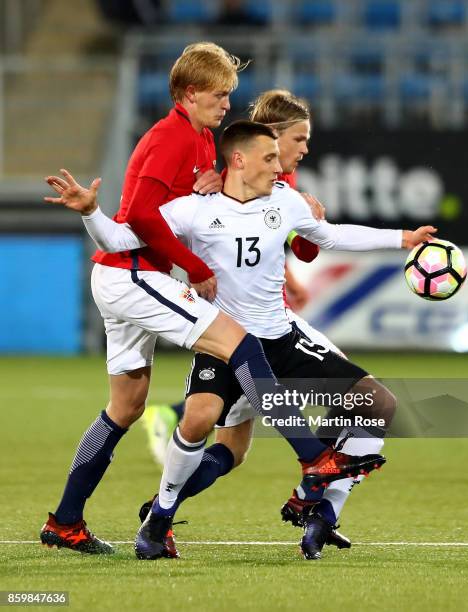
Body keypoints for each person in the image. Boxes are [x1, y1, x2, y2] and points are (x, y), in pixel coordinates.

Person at [57, 120, 436, 560]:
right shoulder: (193, 209)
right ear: (239, 160)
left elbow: (332, 236)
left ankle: (320, 508)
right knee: (201, 427)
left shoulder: (287, 202)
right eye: (270, 158)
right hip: (225, 346)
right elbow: (120, 238)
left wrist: (403, 239)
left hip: (280, 338)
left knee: (377, 402)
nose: (280, 167)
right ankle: (159, 516)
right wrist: (90, 211)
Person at [40, 47, 363, 556]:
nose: (227, 103)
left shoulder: (203, 139)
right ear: (189, 95)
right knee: (239, 341)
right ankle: (311, 456)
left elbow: (188, 210)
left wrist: (204, 188)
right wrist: (193, 268)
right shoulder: (169, 137)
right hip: (134, 273)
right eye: (219, 95)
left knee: (125, 407)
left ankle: (65, 521)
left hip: (128, 273)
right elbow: (142, 220)